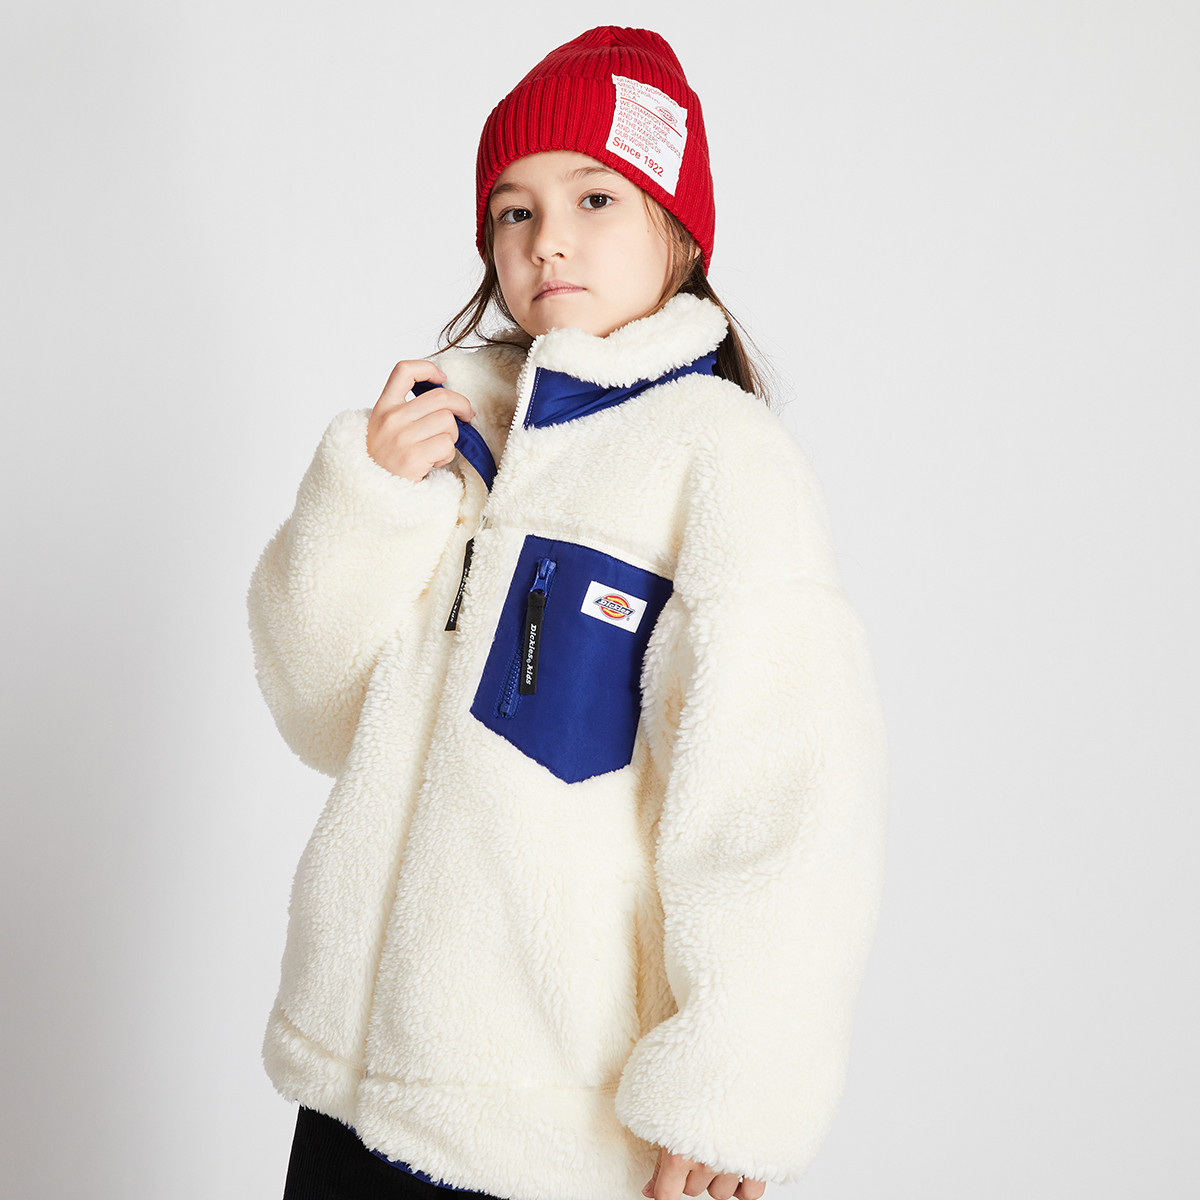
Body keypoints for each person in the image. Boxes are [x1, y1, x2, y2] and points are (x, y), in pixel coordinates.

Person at [247, 25, 889, 1200]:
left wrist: (734, 1085)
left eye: (595, 198)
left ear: (679, 232)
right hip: (349, 1093)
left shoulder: (719, 461)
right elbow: (319, 713)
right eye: (515, 210)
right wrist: (371, 500)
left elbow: (786, 799)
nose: (548, 239)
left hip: (544, 1129)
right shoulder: (448, 432)